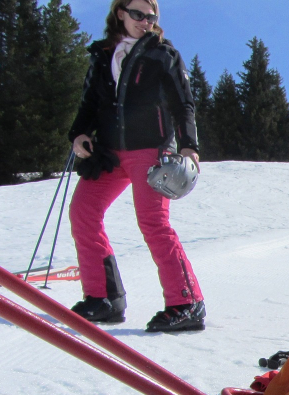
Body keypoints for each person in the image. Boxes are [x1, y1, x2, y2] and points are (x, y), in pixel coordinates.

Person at [67, 0, 205, 332]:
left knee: (153, 222)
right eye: (138, 14)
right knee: (83, 212)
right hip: (109, 152)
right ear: (121, 13)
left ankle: (186, 303)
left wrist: (189, 147)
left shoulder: (162, 54)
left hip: (150, 151)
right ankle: (103, 299)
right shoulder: (103, 55)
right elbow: (90, 102)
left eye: (152, 16)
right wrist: (79, 135)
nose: (146, 21)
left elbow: (182, 103)